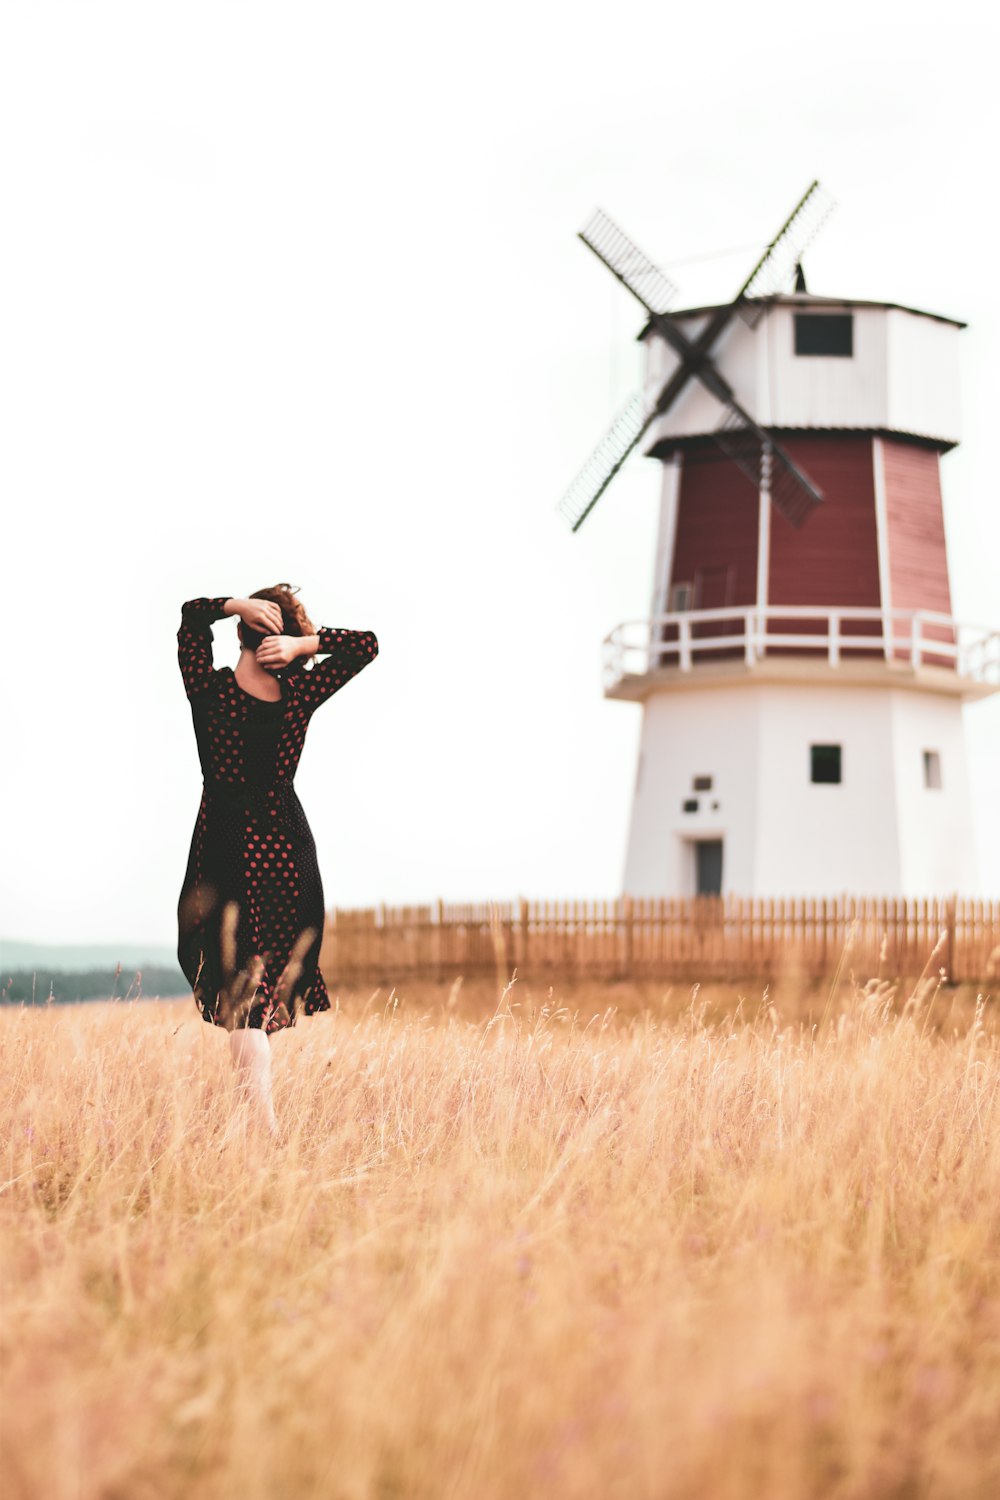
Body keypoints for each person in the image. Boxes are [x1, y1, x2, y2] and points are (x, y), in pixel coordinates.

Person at [176, 586, 378, 1135]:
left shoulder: (208, 691)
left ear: (240, 634)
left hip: (224, 847)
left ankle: (264, 1133)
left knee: (241, 999)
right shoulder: (300, 693)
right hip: (285, 853)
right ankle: (261, 1130)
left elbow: (190, 622)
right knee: (255, 1000)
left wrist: (232, 606)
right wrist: (305, 645)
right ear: (284, 639)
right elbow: (366, 646)